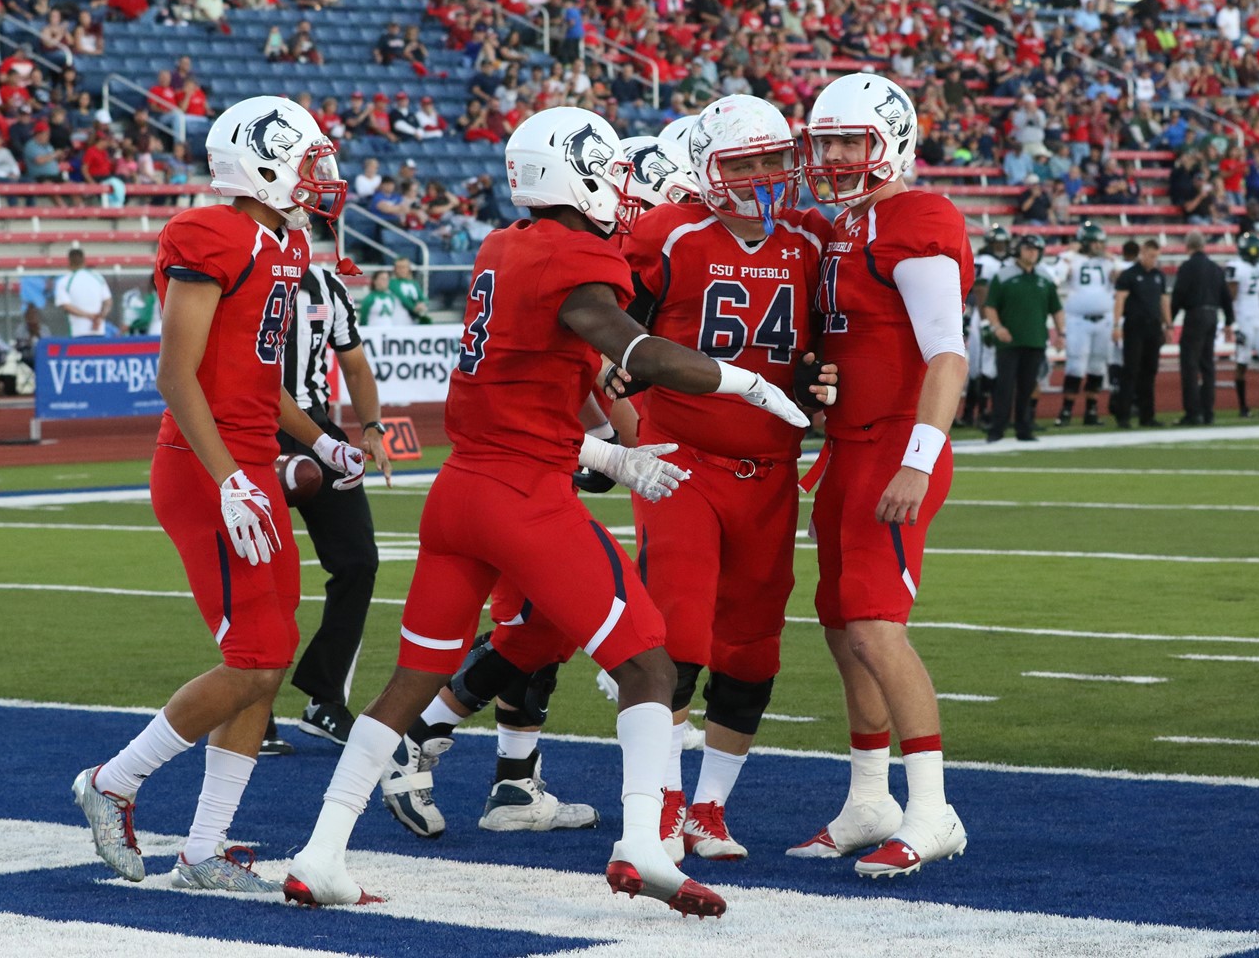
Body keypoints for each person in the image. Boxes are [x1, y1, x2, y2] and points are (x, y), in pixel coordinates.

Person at [282, 106, 810, 916]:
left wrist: (610, 455)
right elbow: (633, 350)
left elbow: (523, 396)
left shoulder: (502, 247)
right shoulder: (574, 256)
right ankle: (642, 843)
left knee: (409, 683)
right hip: (523, 498)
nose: (626, 187)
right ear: (581, 169)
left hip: (461, 490)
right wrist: (746, 382)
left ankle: (321, 851)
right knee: (649, 664)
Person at [70, 96, 365, 894]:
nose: (318, 176)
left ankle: (204, 847)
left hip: (253, 465)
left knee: (269, 664)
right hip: (209, 470)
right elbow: (175, 374)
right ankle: (113, 782)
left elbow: (256, 379)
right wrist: (229, 475)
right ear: (260, 163)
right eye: (305, 160)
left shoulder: (284, 243)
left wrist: (320, 438)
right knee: (256, 656)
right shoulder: (209, 233)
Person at [603, 96, 834, 863]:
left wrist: (825, 378)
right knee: (678, 633)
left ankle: (709, 808)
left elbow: (834, 345)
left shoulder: (811, 238)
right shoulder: (669, 235)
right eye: (745, 163)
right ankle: (661, 804)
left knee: (753, 647)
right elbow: (602, 331)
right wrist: (616, 432)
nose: (766, 176)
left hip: (772, 469)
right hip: (683, 462)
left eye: (774, 159)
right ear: (707, 170)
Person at [796, 73, 974, 877]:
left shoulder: (918, 218)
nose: (832, 156)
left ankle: (933, 810)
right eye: (825, 141)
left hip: (894, 446)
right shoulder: (849, 224)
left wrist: (917, 457)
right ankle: (871, 795)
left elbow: (947, 353)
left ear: (891, 141)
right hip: (847, 446)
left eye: (848, 141)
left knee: (874, 623)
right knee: (840, 625)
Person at [280, 261, 394, 751]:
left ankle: (324, 696)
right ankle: (245, 703)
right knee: (262, 570)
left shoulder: (326, 283)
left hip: (316, 427)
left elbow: (354, 363)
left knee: (358, 561)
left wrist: (372, 427)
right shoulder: (248, 269)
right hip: (250, 427)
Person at [982, 235, 1063, 442]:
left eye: (1036, 249)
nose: (1032, 252)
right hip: (1009, 341)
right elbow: (990, 306)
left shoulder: (1045, 277)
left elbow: (1056, 308)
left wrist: (1061, 333)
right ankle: (997, 429)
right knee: (1004, 387)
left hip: (1035, 339)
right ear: (1019, 250)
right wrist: (998, 327)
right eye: (1028, 249)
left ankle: (1023, 428)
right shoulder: (1004, 275)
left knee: (1027, 388)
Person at [1170, 233, 1234, 425]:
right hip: (1212, 315)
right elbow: (1226, 296)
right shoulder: (1215, 268)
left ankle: (1193, 412)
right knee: (1208, 365)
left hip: (1195, 315)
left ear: (1187, 246)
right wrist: (1229, 321)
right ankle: (1208, 411)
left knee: (1190, 364)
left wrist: (1168, 321)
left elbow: (1178, 295)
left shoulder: (1187, 267)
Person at [1057, 223, 1115, 427]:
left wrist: (1114, 262)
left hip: (1103, 320)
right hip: (1078, 320)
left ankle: (1091, 410)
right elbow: (1057, 276)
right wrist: (1069, 256)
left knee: (1097, 366)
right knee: (1075, 365)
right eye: (1095, 242)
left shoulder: (1107, 262)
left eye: (1101, 242)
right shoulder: (1072, 259)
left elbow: (1119, 279)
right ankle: (1066, 411)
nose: (1099, 246)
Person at [1111, 239, 1169, 428]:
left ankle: (1147, 415)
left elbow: (1163, 301)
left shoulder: (1159, 276)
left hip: (1153, 326)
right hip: (1135, 326)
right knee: (1131, 370)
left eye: (1156, 257)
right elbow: (1120, 300)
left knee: (1150, 371)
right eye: (1151, 256)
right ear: (1142, 253)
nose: (1154, 260)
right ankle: (1124, 414)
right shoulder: (1129, 275)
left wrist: (1168, 325)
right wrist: (1116, 325)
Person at [959, 226, 1010, 429]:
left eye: (1003, 243)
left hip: (1002, 319)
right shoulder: (984, 261)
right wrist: (987, 322)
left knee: (991, 367)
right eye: (997, 243)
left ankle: (981, 412)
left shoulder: (1009, 263)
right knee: (980, 368)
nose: (1001, 247)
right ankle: (976, 412)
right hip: (984, 320)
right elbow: (979, 291)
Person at [1227, 231, 1259, 417]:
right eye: (1255, 249)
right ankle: (1242, 407)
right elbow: (1230, 297)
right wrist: (1234, 325)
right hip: (1244, 319)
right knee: (1242, 363)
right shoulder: (1236, 266)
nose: (1257, 253)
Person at [56, 249, 113, 336]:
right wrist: (99, 317)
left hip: (78, 332)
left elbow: (67, 307)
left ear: (69, 261)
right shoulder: (97, 277)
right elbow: (108, 302)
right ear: (84, 260)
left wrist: (89, 316)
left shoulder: (64, 281)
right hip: (98, 330)